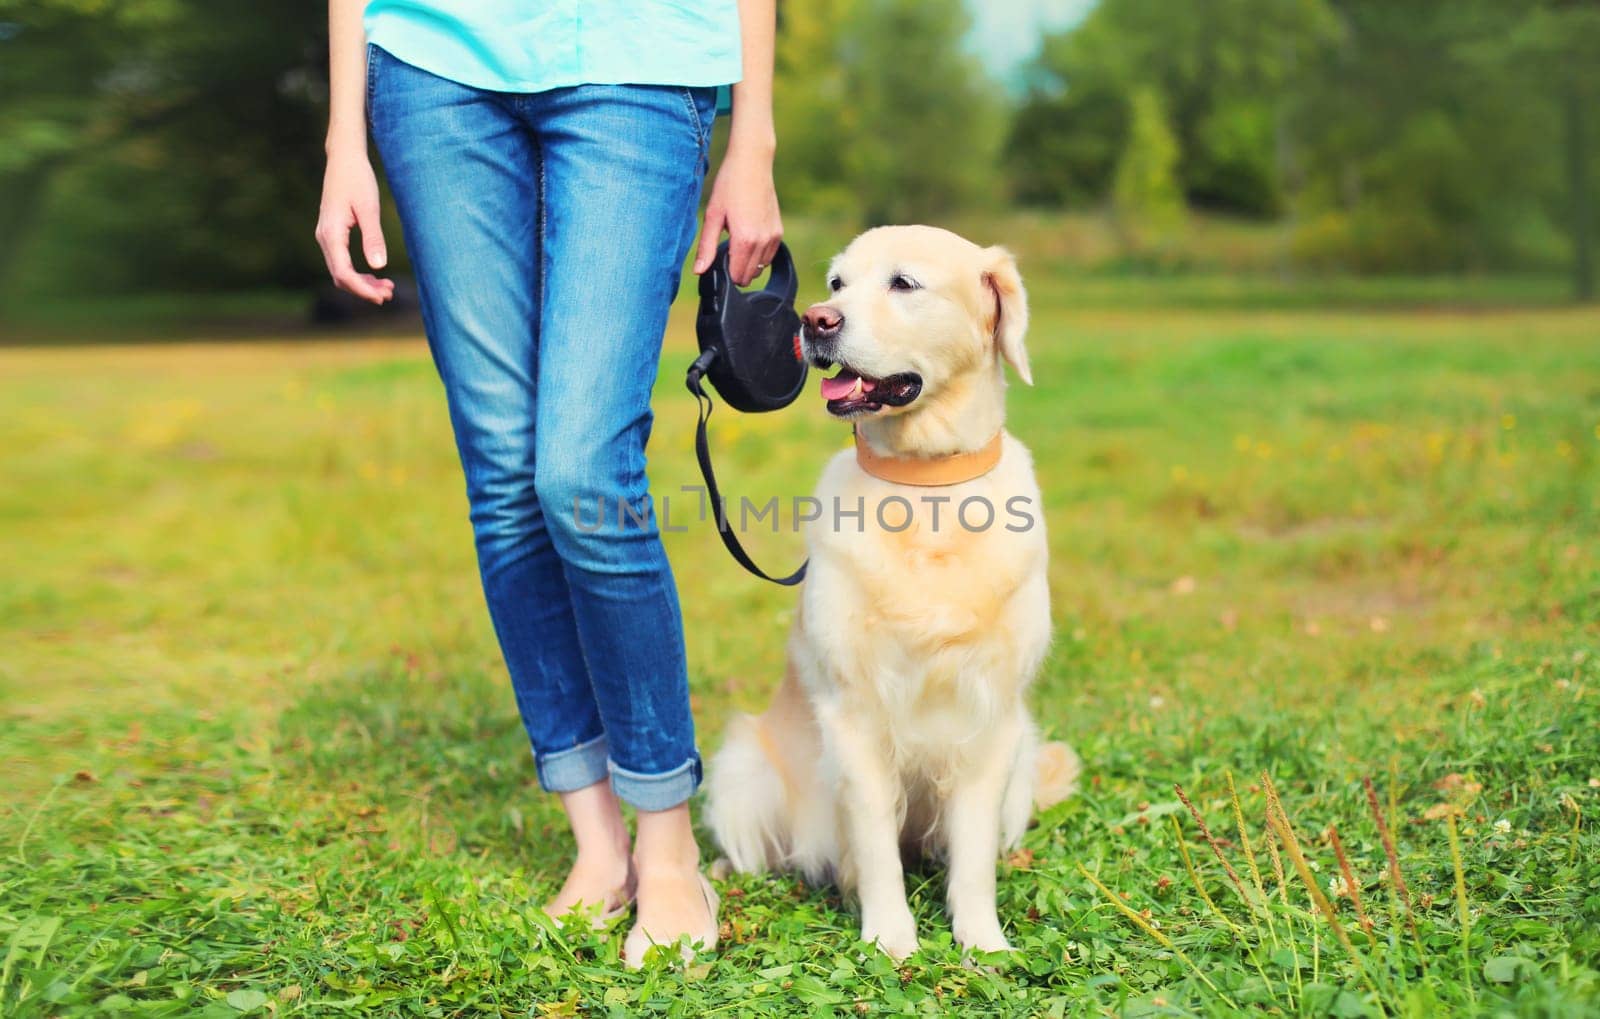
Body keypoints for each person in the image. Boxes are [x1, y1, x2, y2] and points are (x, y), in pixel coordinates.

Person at [314, 0, 781, 966]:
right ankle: (597, 843)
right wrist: (341, 140)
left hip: (639, 60)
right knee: (502, 469)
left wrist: (754, 142)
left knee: (580, 468)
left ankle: (666, 842)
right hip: (432, 64)